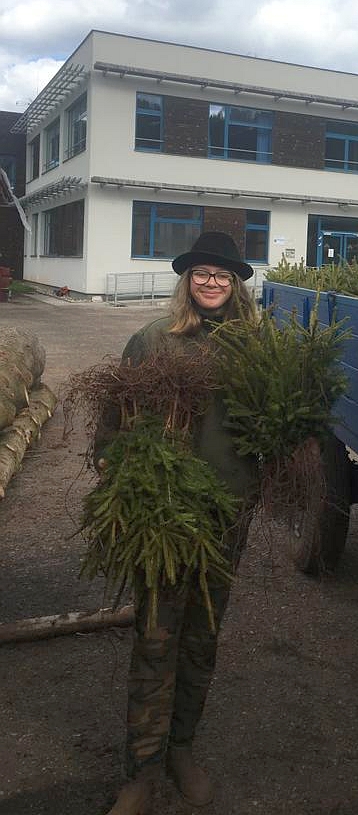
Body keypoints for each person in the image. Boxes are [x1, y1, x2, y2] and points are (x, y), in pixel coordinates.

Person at [98, 231, 258, 815]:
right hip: (165, 516)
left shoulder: (254, 347)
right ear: (187, 281)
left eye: (222, 275)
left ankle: (181, 750)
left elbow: (275, 421)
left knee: (202, 637)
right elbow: (114, 419)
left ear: (235, 284)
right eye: (202, 273)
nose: (212, 283)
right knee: (155, 637)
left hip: (227, 513)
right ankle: (140, 771)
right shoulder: (153, 340)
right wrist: (115, 468)